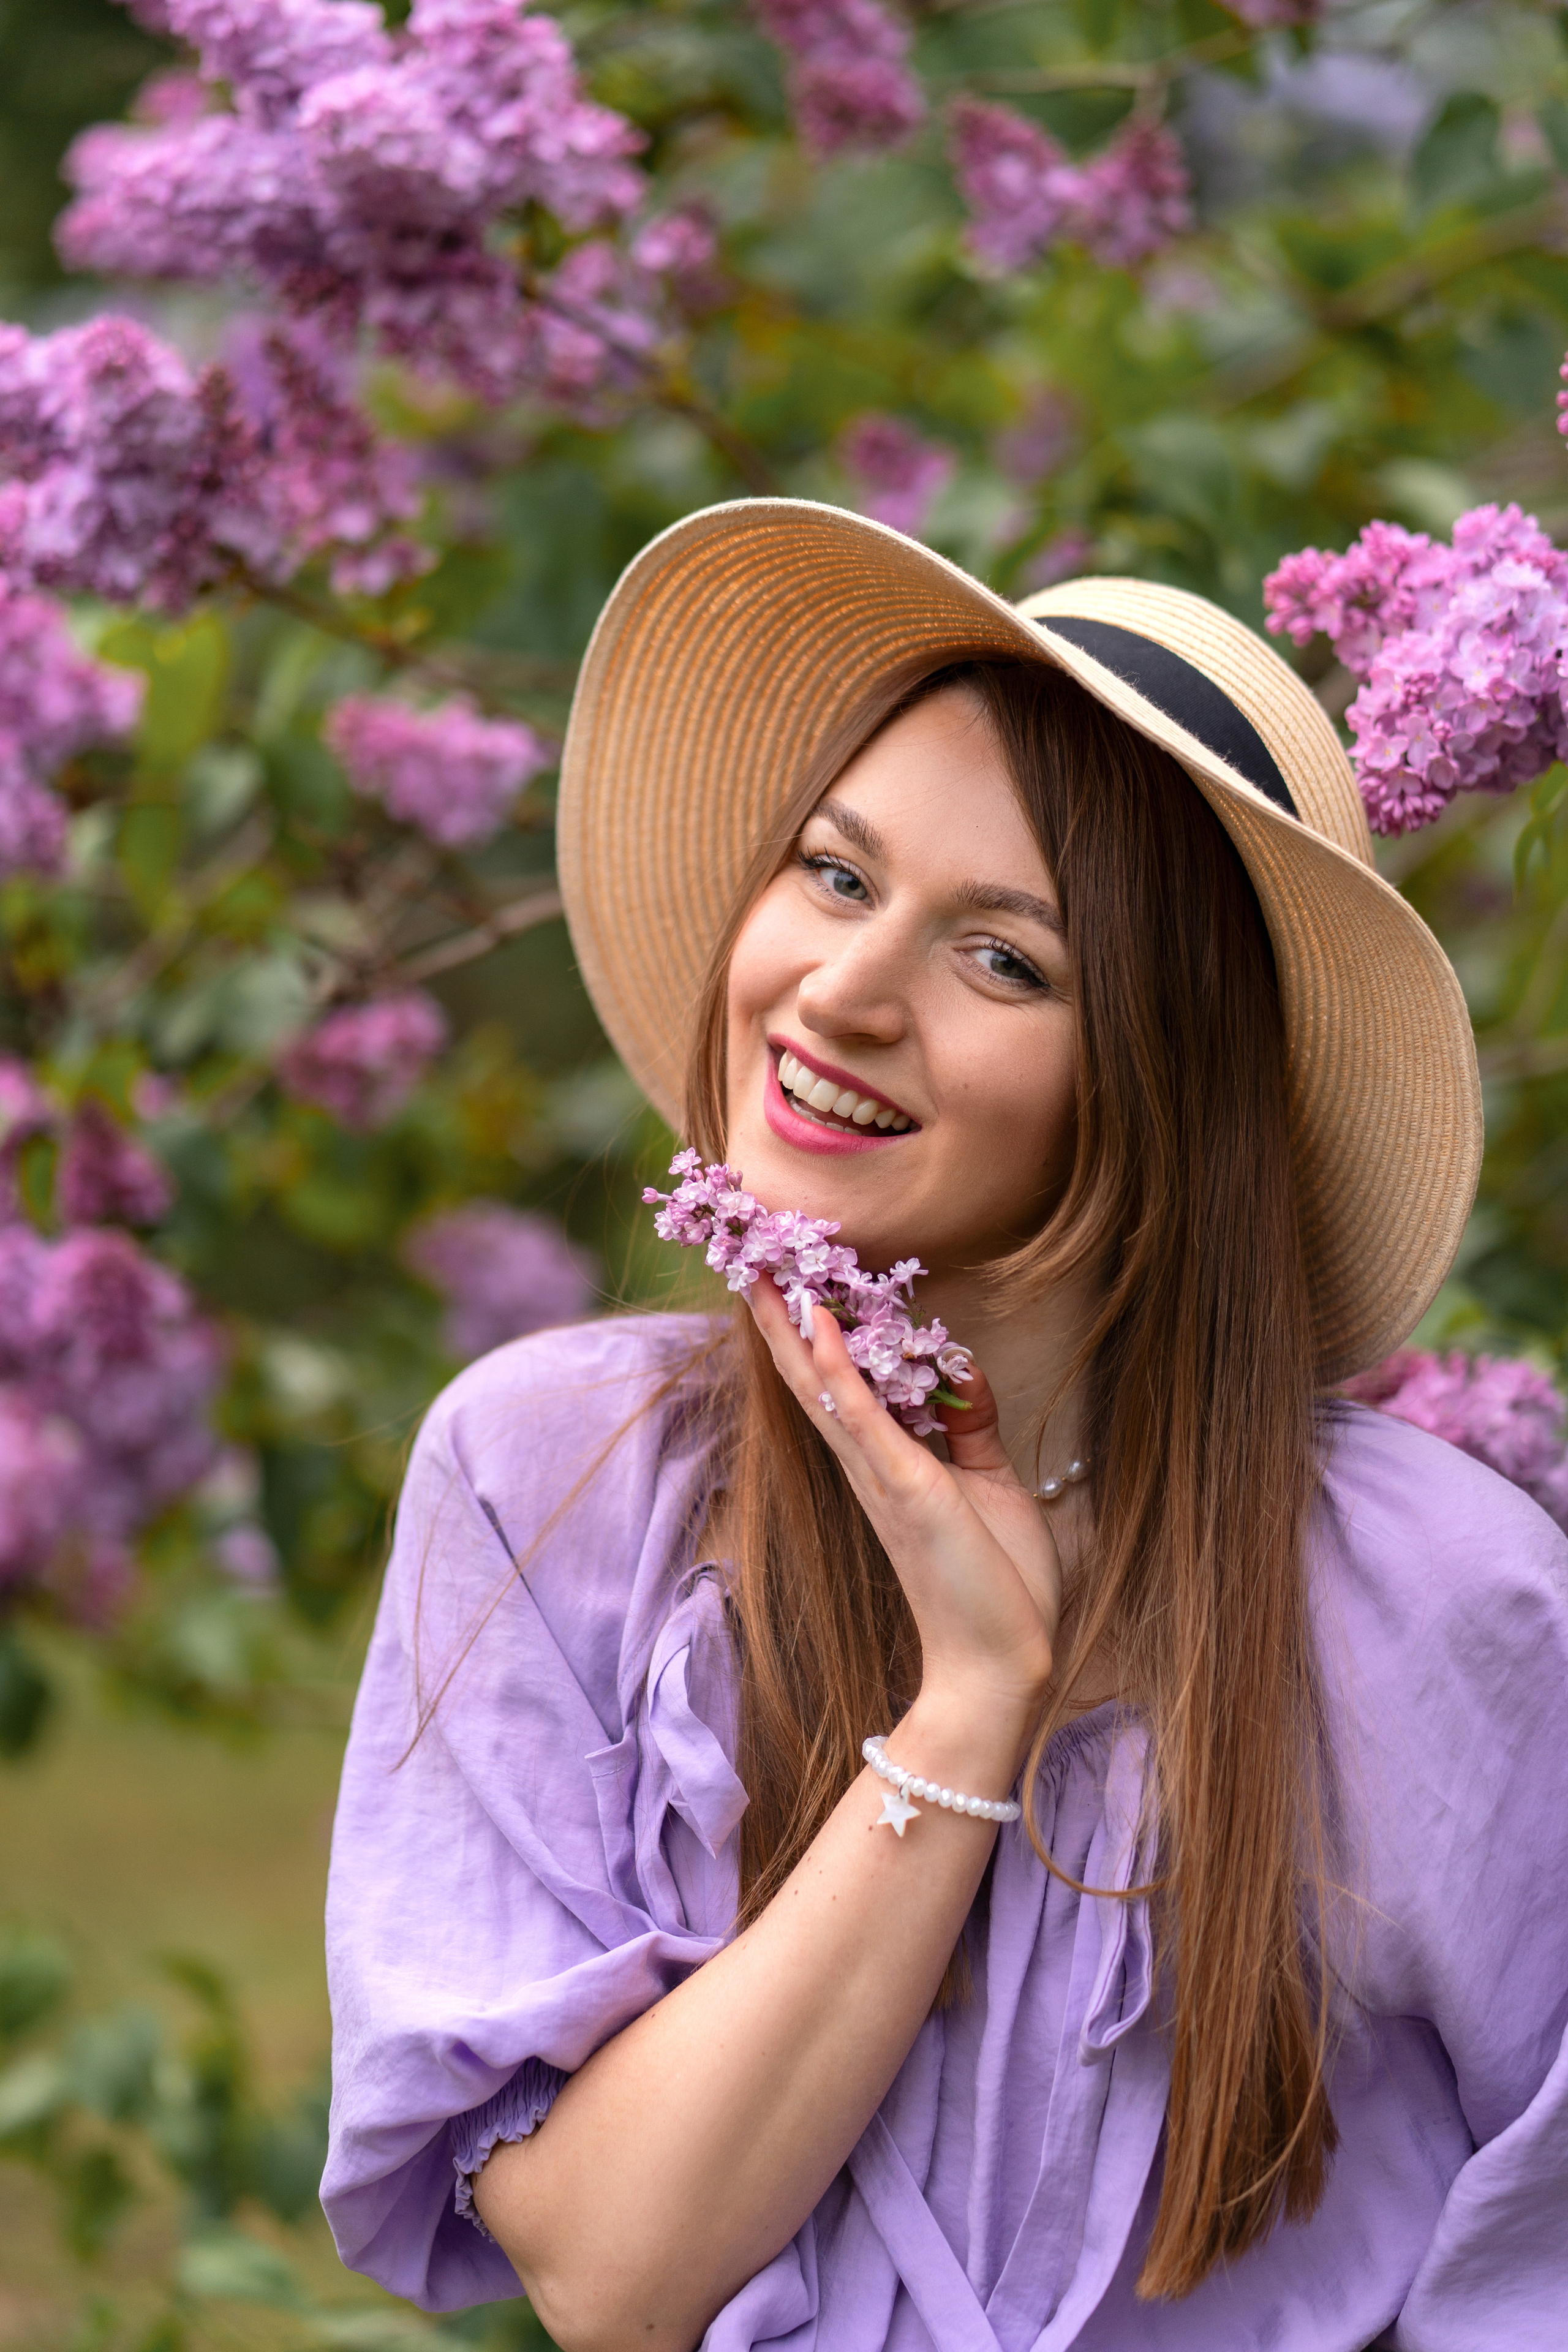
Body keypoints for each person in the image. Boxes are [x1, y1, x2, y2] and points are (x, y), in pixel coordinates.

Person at [320, 502, 1568, 2352]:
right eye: (834, 876)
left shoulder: (1450, 1603)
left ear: (1162, 1088)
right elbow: (611, 2271)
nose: (841, 993)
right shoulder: (551, 1477)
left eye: (1004, 961)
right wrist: (972, 1701)